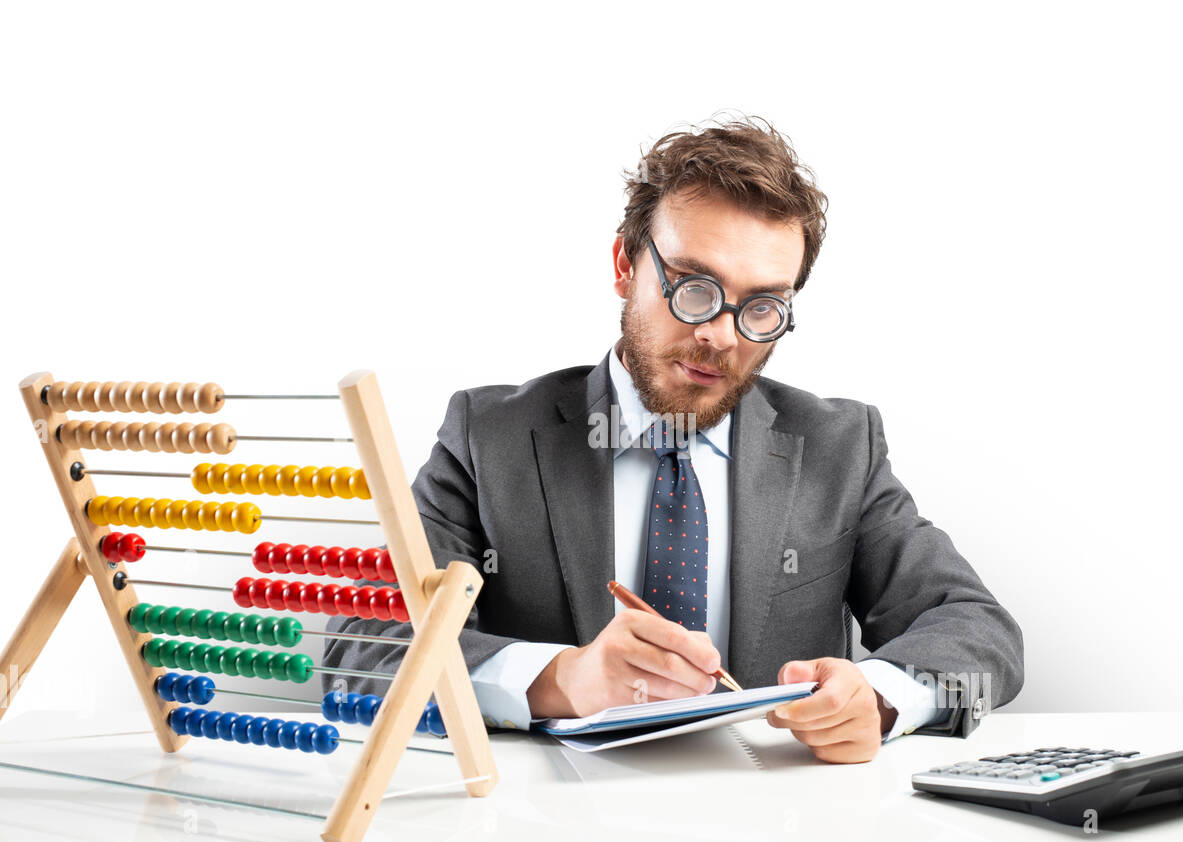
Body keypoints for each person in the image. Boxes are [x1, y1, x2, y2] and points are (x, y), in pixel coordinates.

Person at [325, 114, 1023, 763]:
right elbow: (361, 650)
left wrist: (880, 695)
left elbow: (978, 628)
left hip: (785, 829)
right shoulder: (490, 439)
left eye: (763, 308)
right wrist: (559, 679)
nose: (720, 333)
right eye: (693, 287)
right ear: (627, 265)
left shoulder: (839, 447)